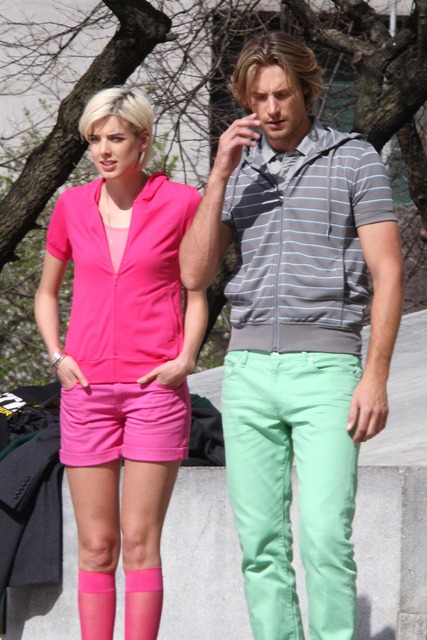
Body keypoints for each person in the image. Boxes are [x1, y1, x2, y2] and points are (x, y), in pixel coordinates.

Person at [179, 32, 404, 640]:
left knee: (326, 538)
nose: (272, 109)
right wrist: (219, 175)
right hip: (248, 371)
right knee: (261, 546)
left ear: (307, 90)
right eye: (259, 98)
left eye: (283, 95)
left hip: (327, 372)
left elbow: (388, 274)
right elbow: (194, 274)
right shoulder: (238, 171)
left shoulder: (355, 159)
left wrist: (376, 376)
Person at [34, 86, 207, 640]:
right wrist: (57, 356)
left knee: (138, 543)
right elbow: (46, 293)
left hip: (155, 391)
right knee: (96, 546)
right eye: (94, 140)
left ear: (142, 140)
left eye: (115, 138)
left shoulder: (182, 202)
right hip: (85, 392)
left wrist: (185, 360)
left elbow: (197, 292)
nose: (103, 151)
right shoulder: (70, 206)